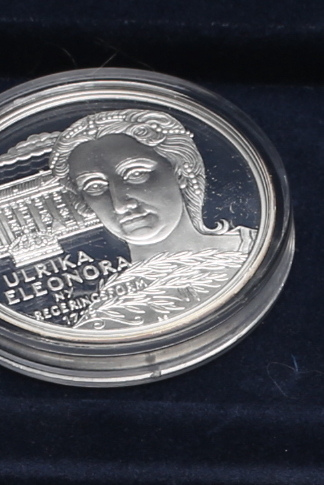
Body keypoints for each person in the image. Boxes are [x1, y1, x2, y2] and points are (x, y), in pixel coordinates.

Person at [48, 108, 255, 330]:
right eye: (94, 187)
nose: (120, 204)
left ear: (179, 171)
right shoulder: (103, 316)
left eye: (136, 174)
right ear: (84, 202)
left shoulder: (257, 246)